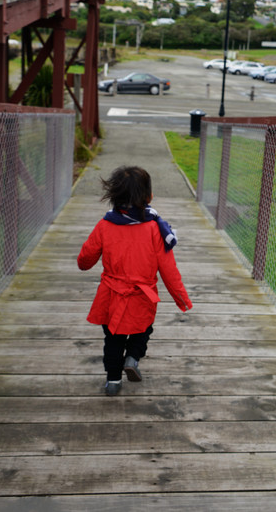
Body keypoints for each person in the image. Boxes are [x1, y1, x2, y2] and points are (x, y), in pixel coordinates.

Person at [77, 165, 192, 396]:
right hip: (142, 296)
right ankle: (132, 358)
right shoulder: (154, 229)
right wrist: (182, 299)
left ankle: (113, 381)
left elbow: (85, 260)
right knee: (143, 330)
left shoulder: (105, 225)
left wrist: (84, 262)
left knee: (112, 339)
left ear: (114, 196)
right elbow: (169, 270)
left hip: (110, 296)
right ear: (148, 196)